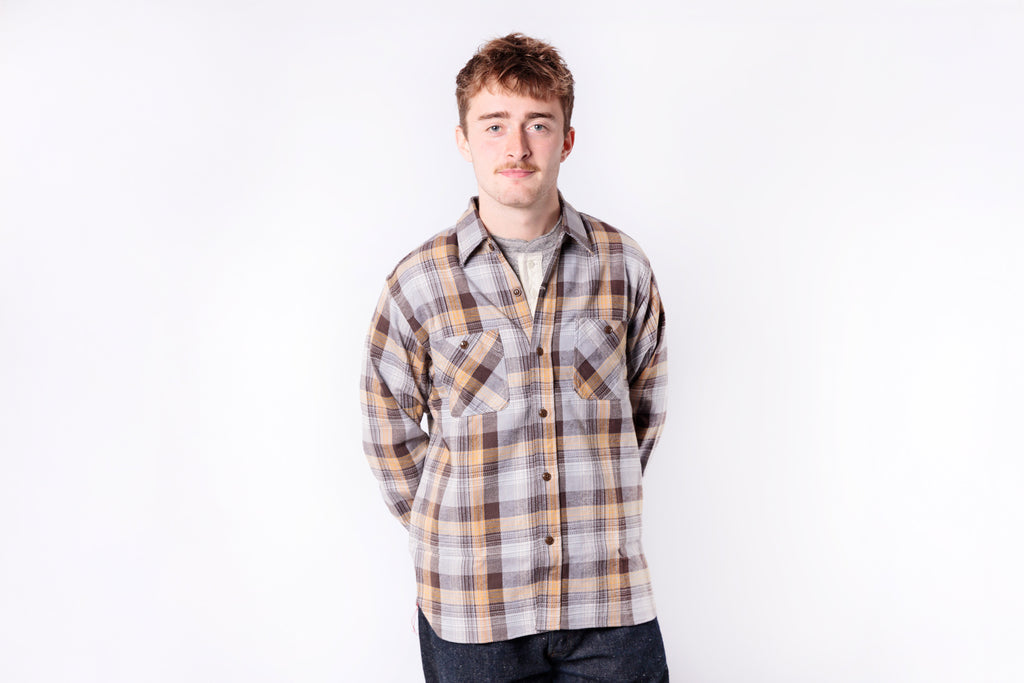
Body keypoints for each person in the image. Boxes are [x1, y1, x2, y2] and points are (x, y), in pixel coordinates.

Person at [360, 33, 669, 682]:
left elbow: (644, 409)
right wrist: (447, 525)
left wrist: (596, 490)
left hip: (606, 597)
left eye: (538, 124)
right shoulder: (419, 282)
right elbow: (387, 424)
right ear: (464, 140)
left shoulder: (622, 266)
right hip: (473, 608)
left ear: (568, 138)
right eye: (494, 125)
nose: (517, 147)